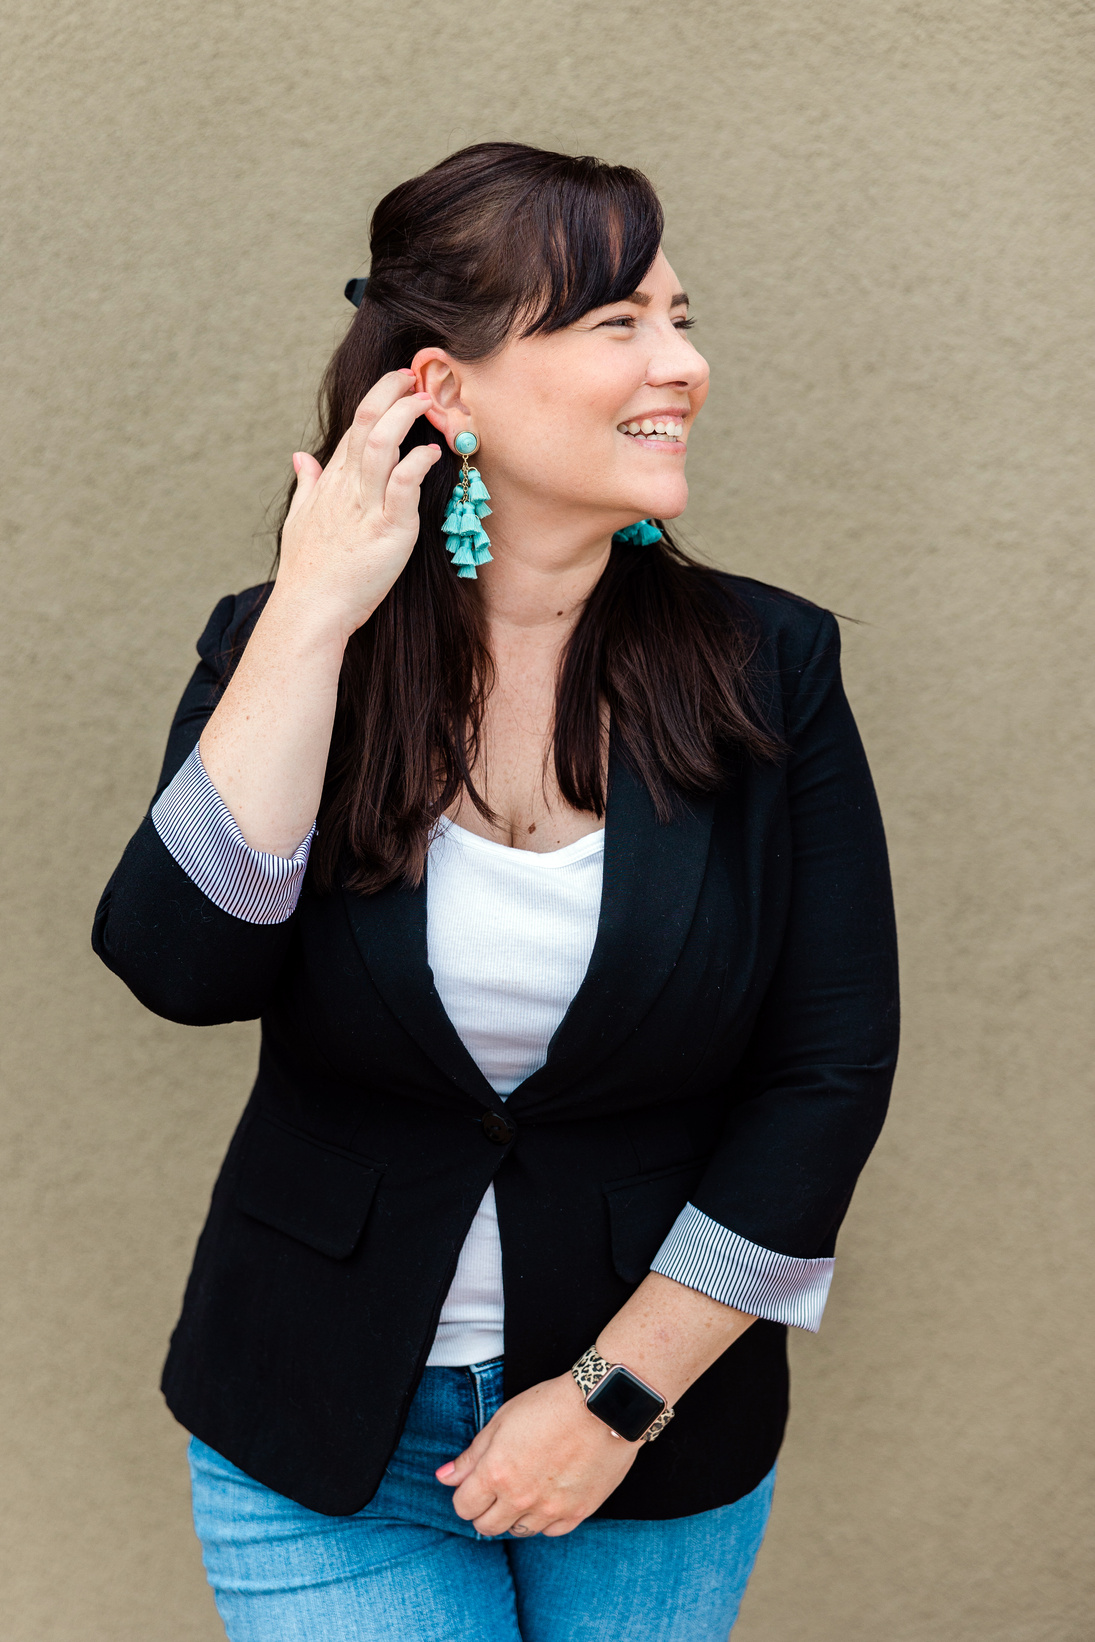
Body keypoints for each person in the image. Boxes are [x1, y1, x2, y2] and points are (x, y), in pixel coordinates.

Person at [93, 142, 899, 1642]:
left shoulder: (770, 666)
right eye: (617, 324)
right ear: (446, 392)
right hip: (317, 1428)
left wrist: (614, 1397)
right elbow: (180, 961)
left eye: (680, 315)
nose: (685, 363)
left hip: (647, 1438)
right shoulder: (289, 644)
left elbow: (828, 1071)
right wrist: (316, 610)